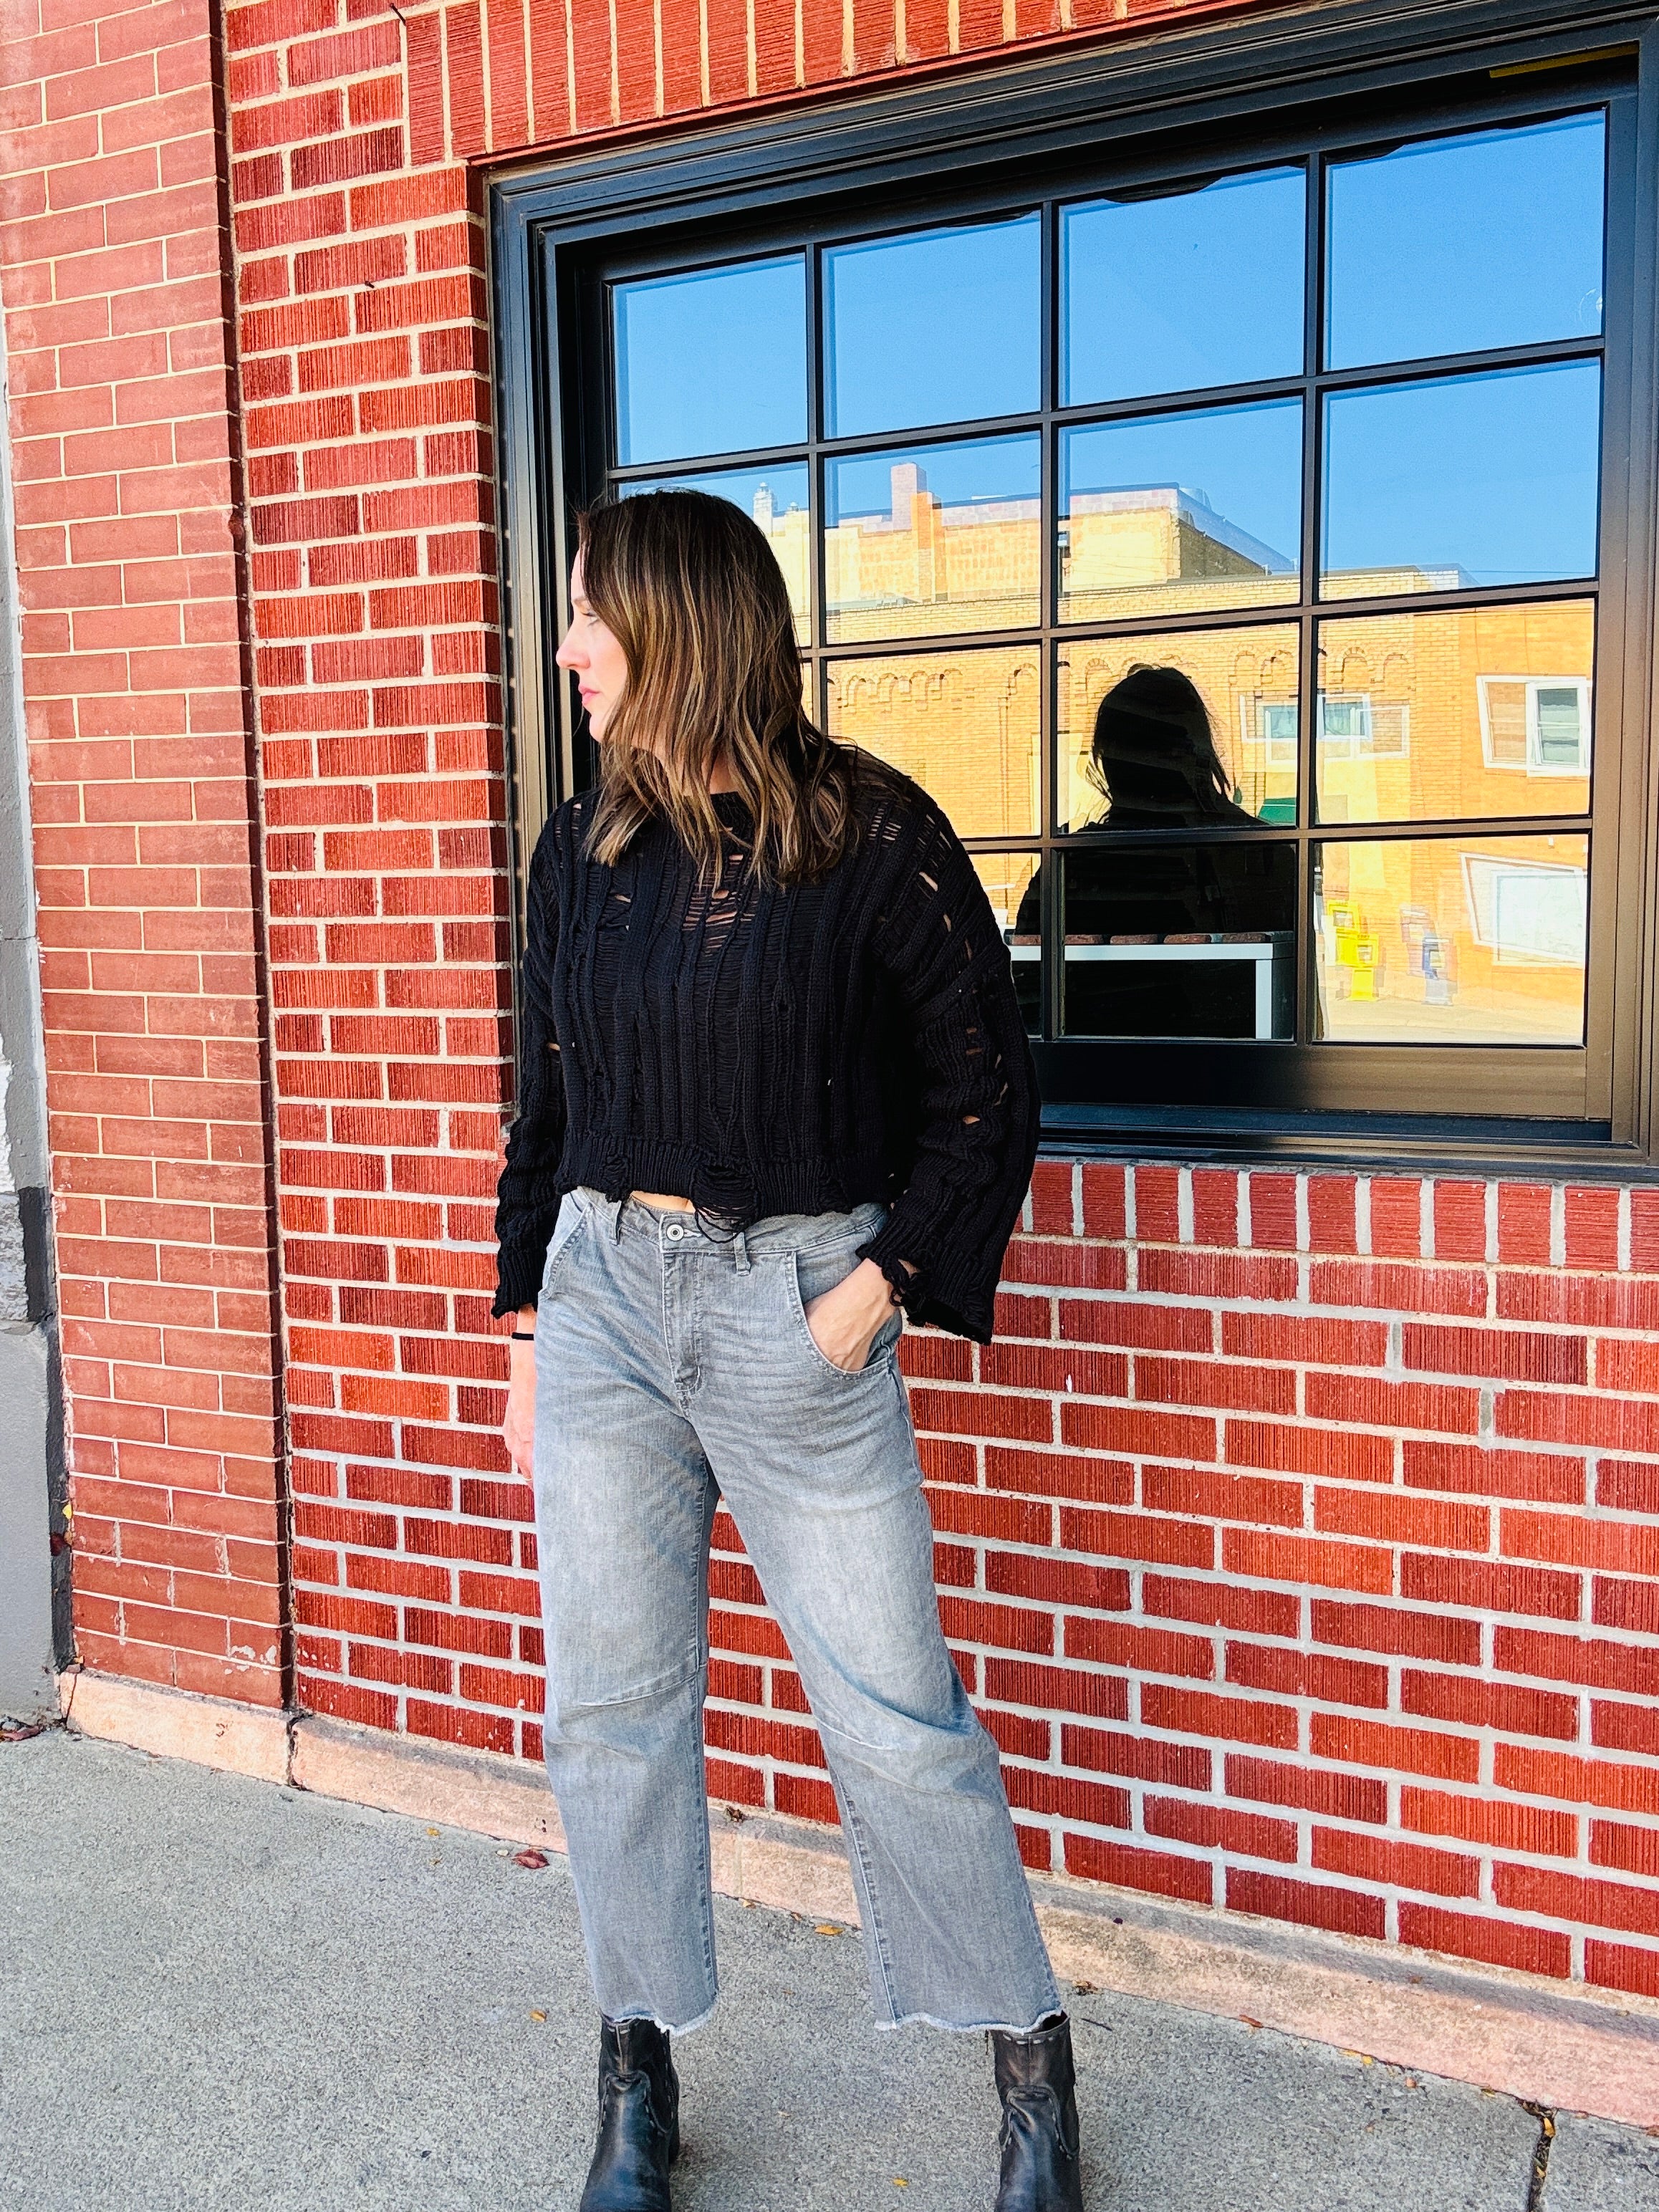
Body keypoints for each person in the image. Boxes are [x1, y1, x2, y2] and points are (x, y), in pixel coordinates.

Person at [494, 489, 1083, 2212]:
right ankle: (634, 2060)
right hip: (609, 1298)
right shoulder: (581, 852)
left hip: (799, 1316)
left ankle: (1031, 2059)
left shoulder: (870, 836)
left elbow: (988, 1088)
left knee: (898, 1716)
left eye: (590, 616)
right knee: (610, 1707)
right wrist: (532, 1300)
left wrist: (881, 1277)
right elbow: (555, 1097)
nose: (566, 651)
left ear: (676, 627)